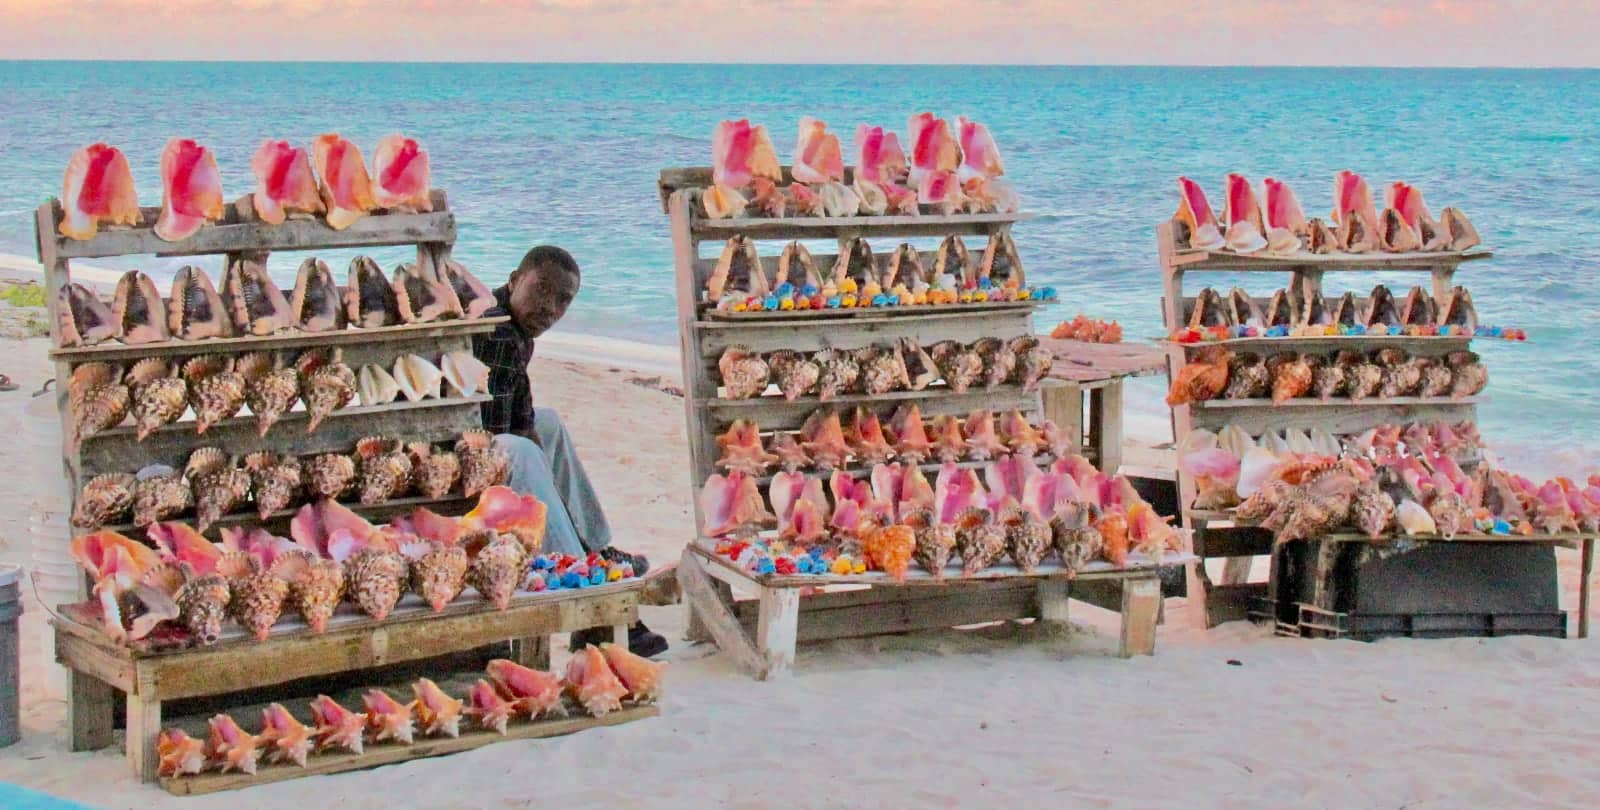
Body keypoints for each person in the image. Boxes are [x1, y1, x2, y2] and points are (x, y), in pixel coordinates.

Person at [472, 245, 668, 657]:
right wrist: (554, 497)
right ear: (513, 281)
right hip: (449, 447)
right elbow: (502, 431)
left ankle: (594, 547)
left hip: (478, 429)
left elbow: (522, 413)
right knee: (520, 450)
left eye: (563, 300)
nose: (551, 307)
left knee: (549, 423)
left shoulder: (512, 324)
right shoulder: (500, 333)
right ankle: (585, 593)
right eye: (541, 290)